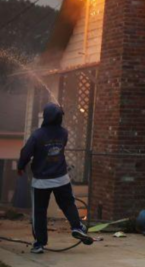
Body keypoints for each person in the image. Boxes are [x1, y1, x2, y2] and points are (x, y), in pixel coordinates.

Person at [17, 103, 93, 253]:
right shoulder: (63, 133)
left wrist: (21, 166)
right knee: (68, 204)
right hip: (61, 178)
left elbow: (26, 153)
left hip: (41, 181)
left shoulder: (37, 135)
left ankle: (39, 244)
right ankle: (76, 227)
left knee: (40, 212)